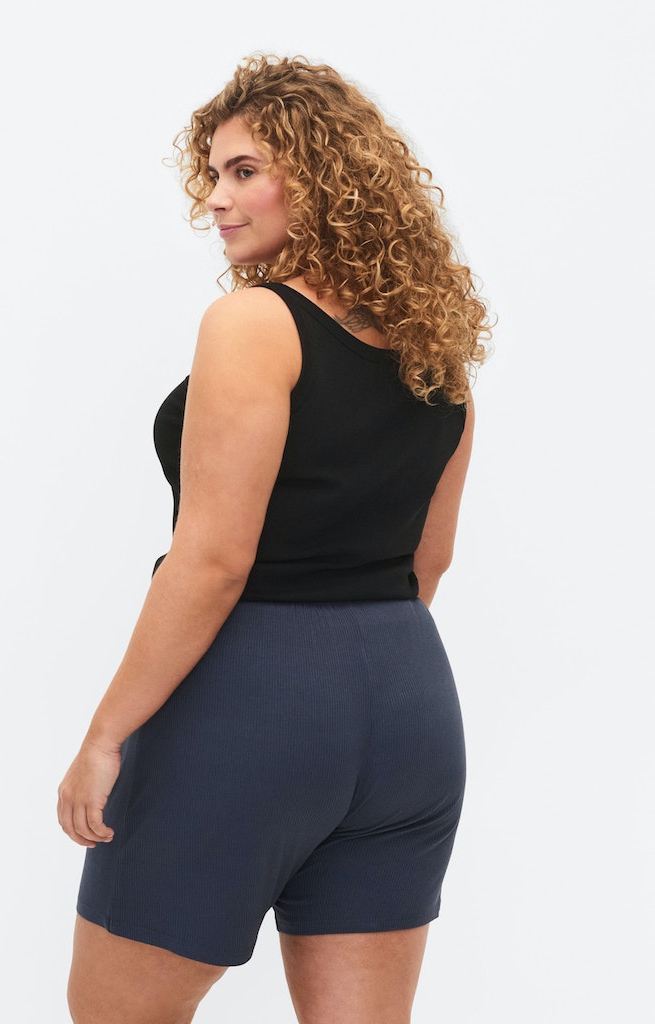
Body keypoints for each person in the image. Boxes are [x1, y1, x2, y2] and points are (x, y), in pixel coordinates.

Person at [57, 53, 493, 1024]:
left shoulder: (253, 322)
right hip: (411, 706)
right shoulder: (436, 352)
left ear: (324, 176)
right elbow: (429, 561)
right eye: (213, 173)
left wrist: (105, 734)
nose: (215, 199)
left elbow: (213, 560)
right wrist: (351, 676)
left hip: (254, 695)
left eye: (245, 170)